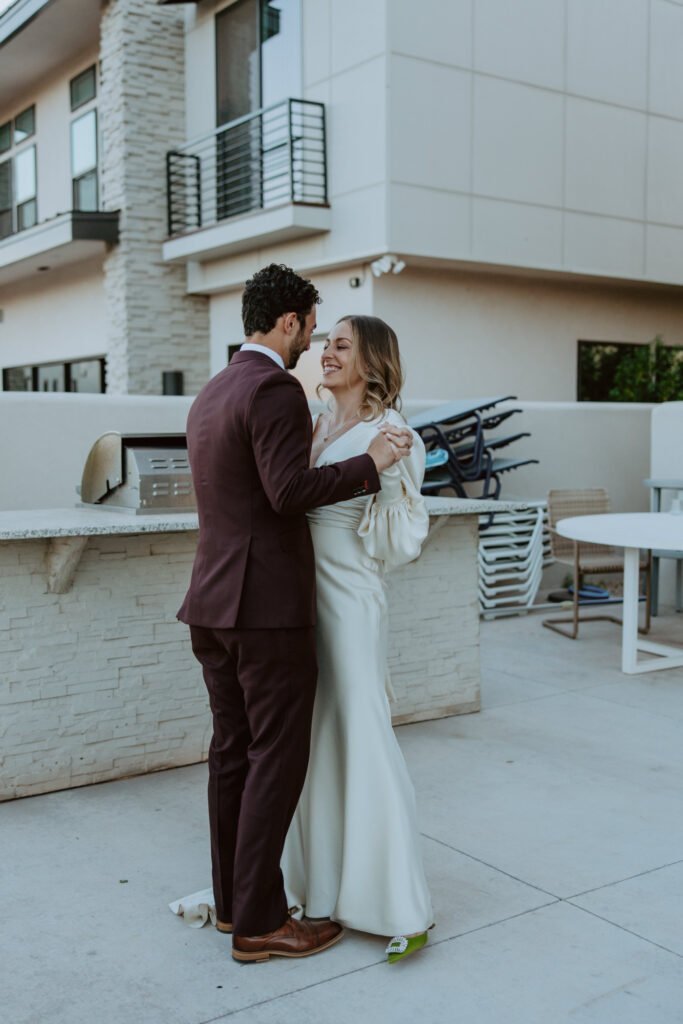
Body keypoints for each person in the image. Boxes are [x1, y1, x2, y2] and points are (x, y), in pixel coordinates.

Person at [175, 264, 414, 963]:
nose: (313, 343)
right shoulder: (275, 387)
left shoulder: (214, 390)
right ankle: (259, 922)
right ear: (288, 322)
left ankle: (231, 905)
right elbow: (286, 494)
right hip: (265, 611)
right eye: (311, 328)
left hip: (211, 605)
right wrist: (367, 461)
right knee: (274, 760)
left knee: (230, 758)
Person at [281, 314, 434, 965]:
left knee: (363, 735)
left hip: (350, 605)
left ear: (372, 361)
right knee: (310, 742)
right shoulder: (315, 426)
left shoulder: (391, 433)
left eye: (341, 344)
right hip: (295, 605)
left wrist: (384, 478)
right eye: (325, 343)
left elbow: (401, 541)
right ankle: (317, 888)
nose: (326, 352)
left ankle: (400, 904)